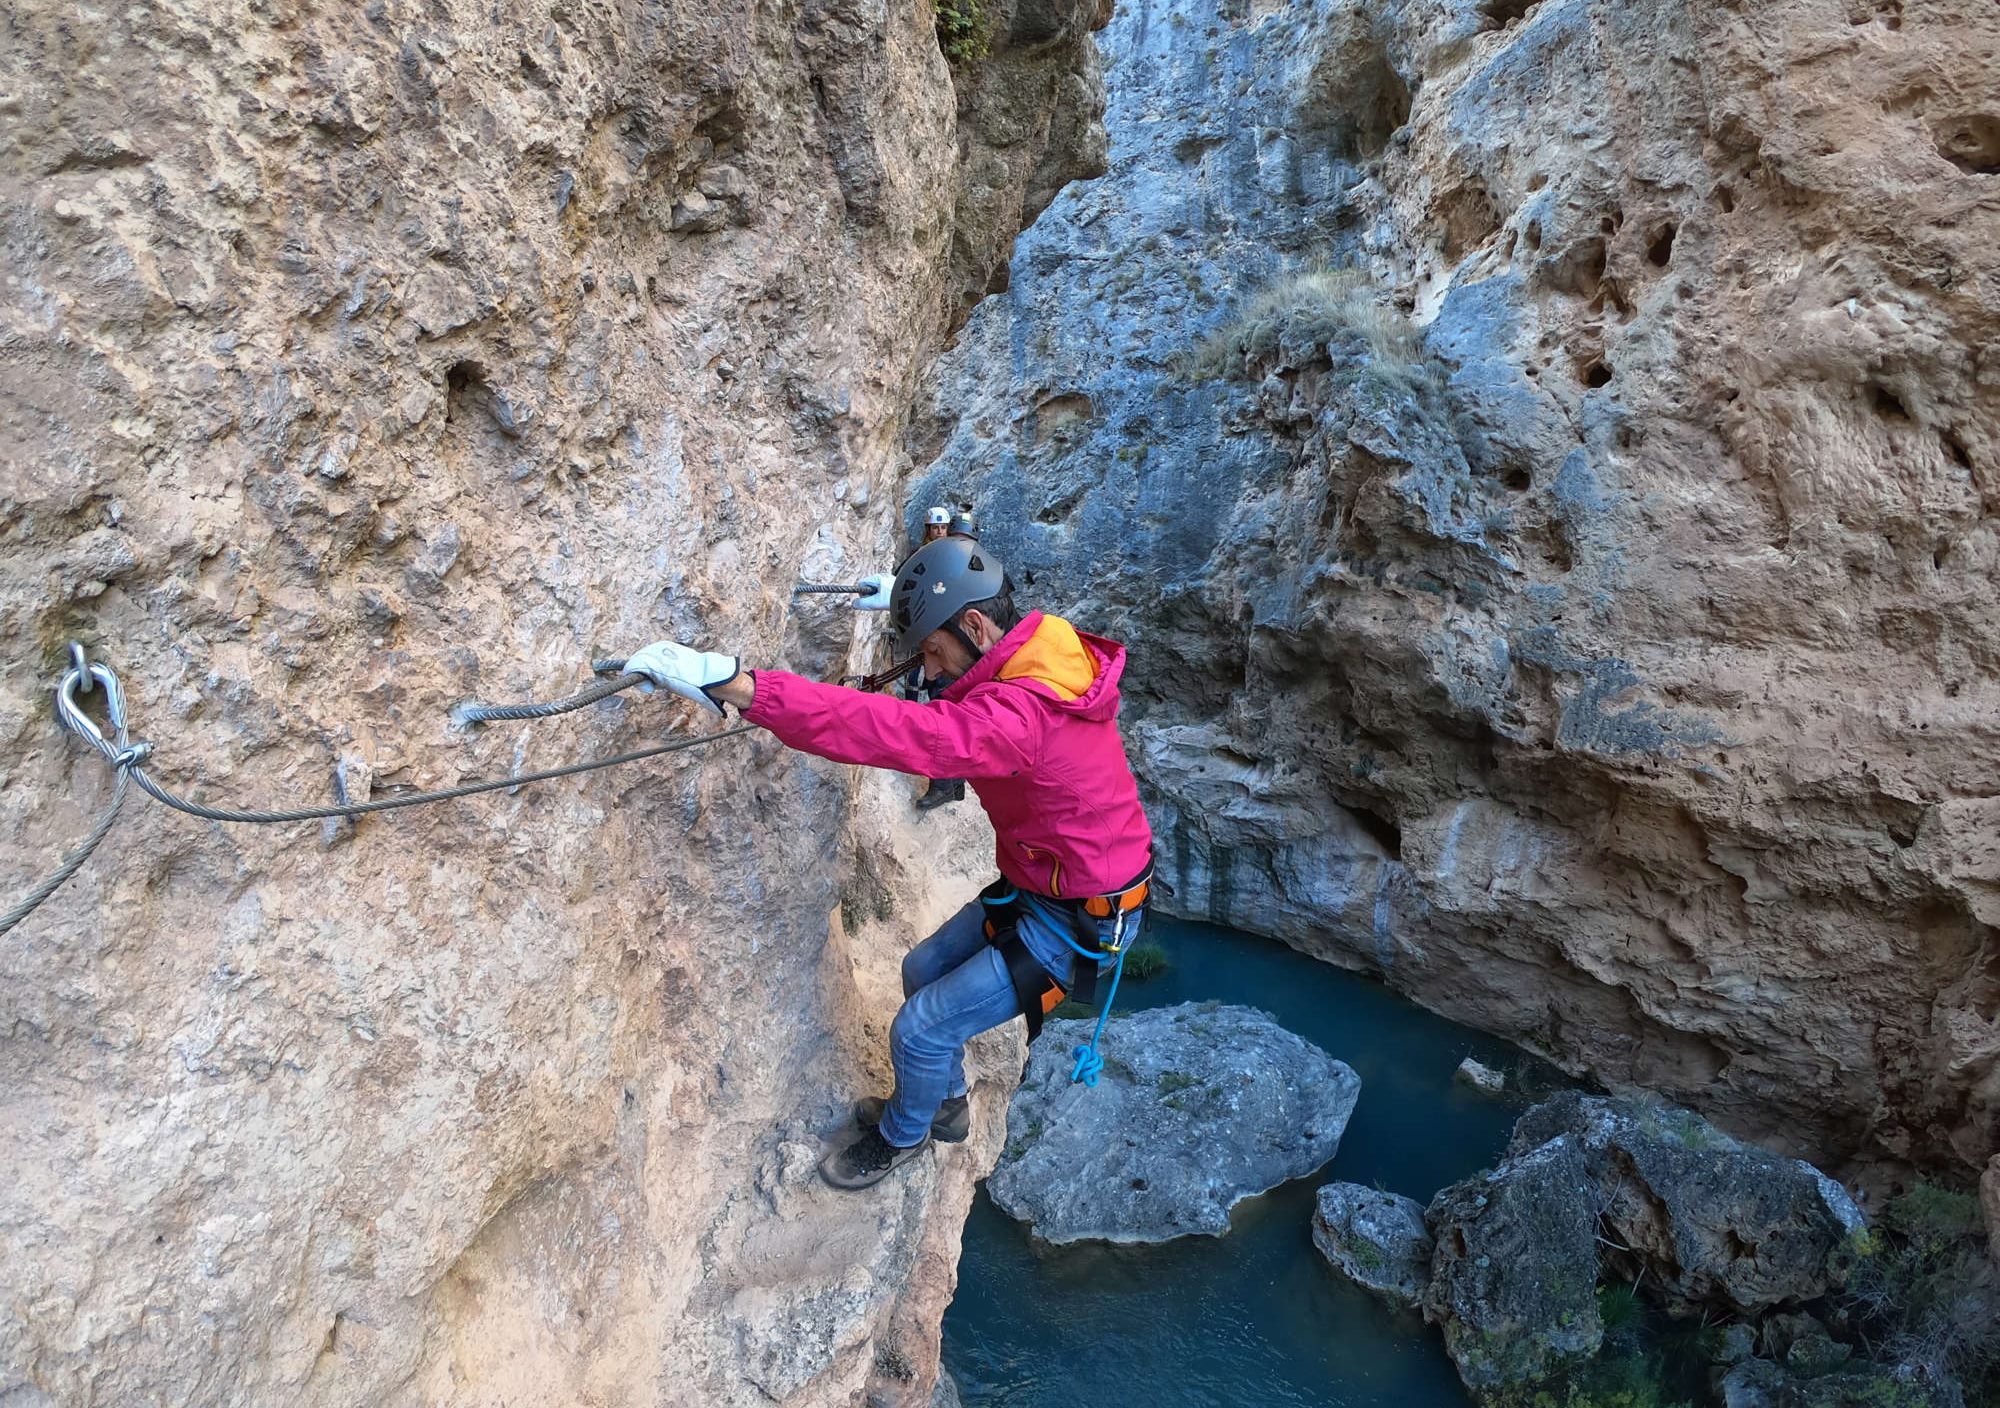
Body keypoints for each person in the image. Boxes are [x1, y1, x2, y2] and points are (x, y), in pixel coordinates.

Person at [625, 537, 1155, 1190]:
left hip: (1077, 919)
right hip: (1048, 885)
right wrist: (906, 609)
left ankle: (900, 1138)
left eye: (932, 654)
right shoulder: (1041, 655)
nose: (928, 674)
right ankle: (945, 1102)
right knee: (920, 967)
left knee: (920, 1028)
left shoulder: (1018, 718)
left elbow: (897, 733)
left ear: (975, 625)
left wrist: (744, 687)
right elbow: (956, 672)